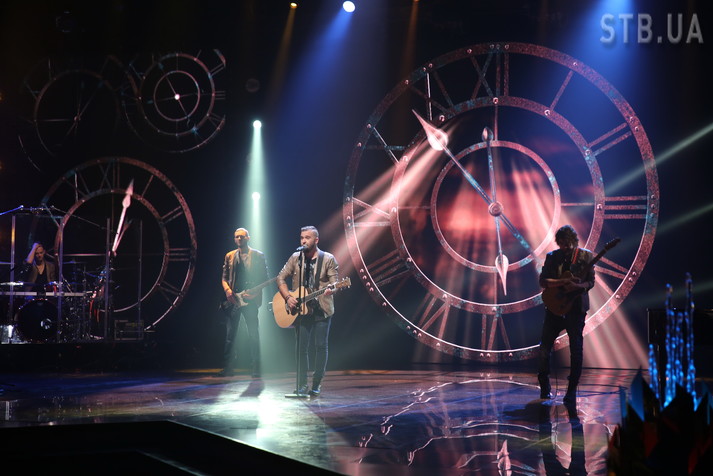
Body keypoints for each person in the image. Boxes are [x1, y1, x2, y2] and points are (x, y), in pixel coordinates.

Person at [276, 226, 339, 397]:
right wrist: (288, 297)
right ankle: (302, 385)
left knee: (320, 346)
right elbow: (280, 278)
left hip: (321, 309)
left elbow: (335, 282)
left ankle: (316, 384)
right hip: (301, 310)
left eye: (308, 237)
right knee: (301, 348)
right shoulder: (296, 258)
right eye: (302, 237)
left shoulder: (328, 259)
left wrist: (332, 289)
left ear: (316, 240)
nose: (304, 240)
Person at [537, 225, 595, 403]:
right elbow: (543, 281)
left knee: (576, 350)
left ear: (574, 241)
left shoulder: (585, 256)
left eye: (568, 243)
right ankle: (544, 386)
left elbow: (590, 282)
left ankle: (571, 390)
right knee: (544, 348)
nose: (565, 247)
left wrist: (577, 286)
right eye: (562, 244)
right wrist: (562, 282)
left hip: (575, 309)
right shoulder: (552, 257)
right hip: (554, 309)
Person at [219, 228, 268, 378]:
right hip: (234, 299)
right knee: (230, 335)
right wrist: (228, 291)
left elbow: (265, 278)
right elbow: (224, 278)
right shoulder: (229, 256)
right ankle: (227, 368)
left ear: (248, 238)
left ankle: (256, 369)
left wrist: (254, 294)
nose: (239, 239)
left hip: (250, 300)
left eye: (241, 236)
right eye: (236, 237)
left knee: (253, 334)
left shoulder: (258, 255)